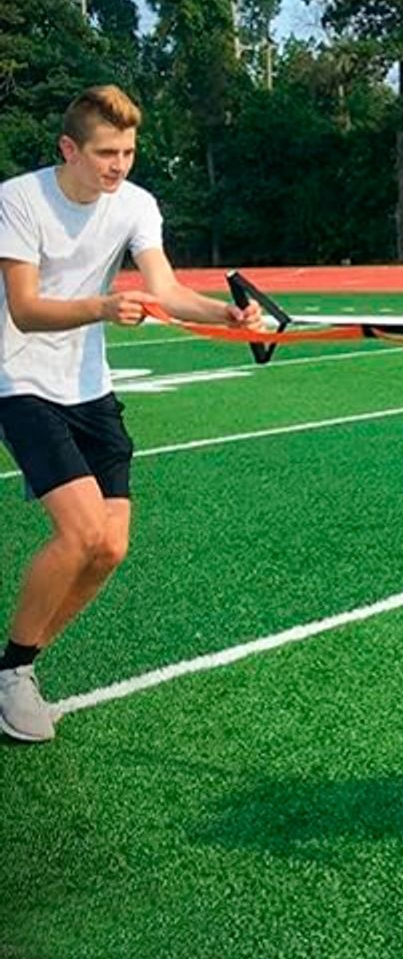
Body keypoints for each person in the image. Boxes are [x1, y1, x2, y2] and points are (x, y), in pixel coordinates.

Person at [0, 85, 261, 743]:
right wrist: (102, 307)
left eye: (129, 152)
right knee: (82, 531)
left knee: (111, 545)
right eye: (105, 153)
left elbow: (167, 290)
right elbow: (27, 309)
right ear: (70, 149)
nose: (118, 165)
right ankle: (13, 674)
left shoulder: (136, 204)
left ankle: (13, 667)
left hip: (88, 384)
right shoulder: (19, 200)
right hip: (19, 377)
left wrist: (225, 316)